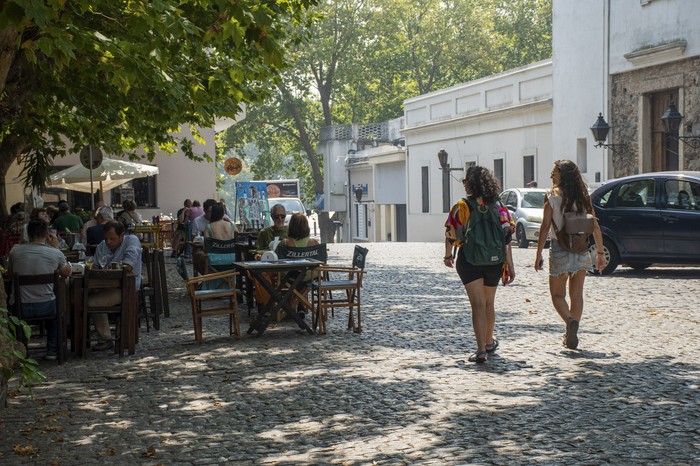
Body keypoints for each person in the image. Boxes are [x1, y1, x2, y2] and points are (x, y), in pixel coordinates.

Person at [444, 166, 515, 364]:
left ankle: (481, 350)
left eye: (465, 180)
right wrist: (510, 265)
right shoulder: (498, 206)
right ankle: (489, 341)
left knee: (477, 305)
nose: (464, 183)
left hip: (470, 260)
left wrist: (447, 256)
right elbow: (507, 236)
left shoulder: (462, 206)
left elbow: (451, 233)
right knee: (489, 303)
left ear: (471, 184)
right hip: (494, 261)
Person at [534, 160, 606, 350]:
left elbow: (545, 227)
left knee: (557, 295)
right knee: (577, 295)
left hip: (560, 249)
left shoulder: (551, 196)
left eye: (554, 173)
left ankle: (570, 322)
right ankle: (571, 332)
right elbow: (595, 225)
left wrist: (538, 253)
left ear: (563, 175)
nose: (551, 176)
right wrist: (600, 253)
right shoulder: (583, 197)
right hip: (582, 249)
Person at [8, 219, 72, 360]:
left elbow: (10, 273)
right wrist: (56, 247)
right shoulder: (55, 253)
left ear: (28, 234)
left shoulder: (15, 251)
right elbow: (67, 272)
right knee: (57, 311)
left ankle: (23, 350)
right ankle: (52, 350)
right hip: (46, 306)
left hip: (20, 306)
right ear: (46, 234)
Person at [89, 221, 143, 350]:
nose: (108, 242)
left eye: (112, 238)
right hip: (103, 285)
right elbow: (95, 267)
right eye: (106, 238)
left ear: (121, 235)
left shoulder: (131, 241)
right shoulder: (102, 246)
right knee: (77, 296)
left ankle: (105, 338)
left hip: (125, 288)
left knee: (91, 302)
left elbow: (128, 266)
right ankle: (76, 337)